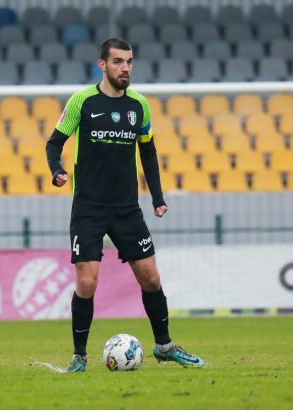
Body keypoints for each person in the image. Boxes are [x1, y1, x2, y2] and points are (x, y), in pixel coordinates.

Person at [45, 38, 204, 372]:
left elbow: (148, 150)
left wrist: (157, 197)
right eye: (118, 61)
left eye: (129, 62)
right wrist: (57, 170)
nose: (126, 68)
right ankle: (79, 357)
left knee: (151, 278)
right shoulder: (82, 101)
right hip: (88, 208)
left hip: (126, 209)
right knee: (87, 282)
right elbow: (54, 143)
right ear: (102, 65)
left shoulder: (139, 105)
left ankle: (164, 347)